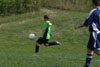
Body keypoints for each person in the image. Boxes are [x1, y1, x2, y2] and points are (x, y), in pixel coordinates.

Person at [75, 0, 100, 67]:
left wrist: (78, 27)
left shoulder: (94, 11)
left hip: (95, 33)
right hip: (98, 33)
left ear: (93, 4)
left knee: (95, 49)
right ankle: (87, 65)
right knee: (89, 49)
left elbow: (87, 23)